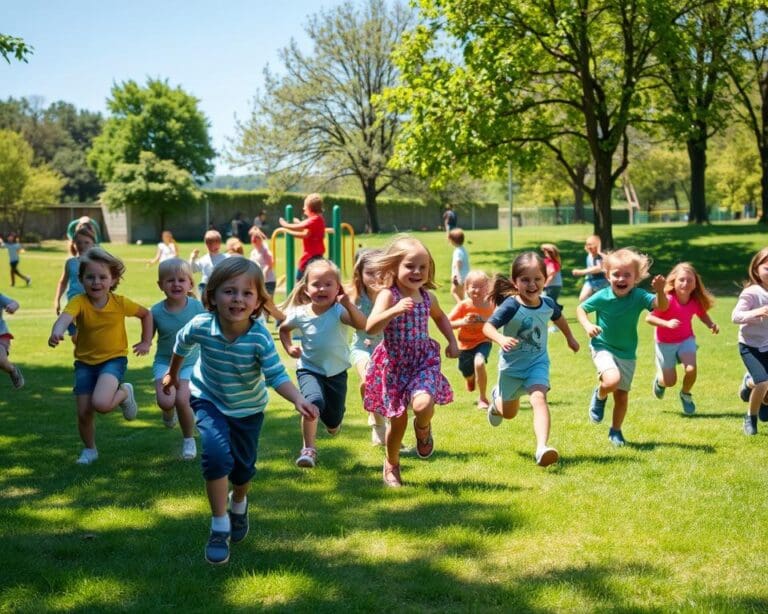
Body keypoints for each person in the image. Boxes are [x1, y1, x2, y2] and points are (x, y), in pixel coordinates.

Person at [161, 257, 317, 565]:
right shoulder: (202, 325)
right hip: (208, 399)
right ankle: (219, 525)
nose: (238, 299)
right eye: (229, 291)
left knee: (243, 471)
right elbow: (181, 343)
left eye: (247, 293)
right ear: (212, 295)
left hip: (248, 410)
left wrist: (297, 398)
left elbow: (275, 375)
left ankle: (240, 501)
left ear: (259, 300)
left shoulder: (259, 337)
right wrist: (172, 373)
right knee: (217, 457)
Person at [364, 235, 459, 487]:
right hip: (395, 365)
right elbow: (371, 326)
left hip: (423, 361)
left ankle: (423, 428)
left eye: (422, 267)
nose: (417, 272)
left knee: (422, 405)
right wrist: (394, 309)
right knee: (397, 421)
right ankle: (392, 464)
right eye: (409, 266)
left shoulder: (428, 297)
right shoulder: (388, 294)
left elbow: (440, 318)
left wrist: (452, 341)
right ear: (394, 267)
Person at [48, 247, 153, 465]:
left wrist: (146, 341)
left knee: (102, 404)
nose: (96, 282)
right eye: (90, 277)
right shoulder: (79, 301)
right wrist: (57, 331)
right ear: (81, 279)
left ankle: (124, 392)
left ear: (113, 279)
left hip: (113, 360)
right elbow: (65, 318)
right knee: (84, 412)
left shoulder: (120, 302)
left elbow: (146, 314)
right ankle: (90, 450)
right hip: (85, 363)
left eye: (102, 277)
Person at [482, 253, 580, 466]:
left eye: (537, 279)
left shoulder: (548, 304)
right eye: (525, 279)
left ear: (545, 280)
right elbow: (487, 327)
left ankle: (542, 448)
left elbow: (559, 318)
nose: (532, 284)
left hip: (537, 363)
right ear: (515, 282)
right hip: (511, 368)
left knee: (539, 398)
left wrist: (570, 338)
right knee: (509, 413)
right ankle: (496, 402)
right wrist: (500, 338)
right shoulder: (511, 305)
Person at [279, 259, 367, 468]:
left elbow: (361, 324)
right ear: (306, 289)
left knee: (334, 419)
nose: (322, 288)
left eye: (328, 284)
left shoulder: (339, 311)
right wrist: (289, 347)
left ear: (338, 288)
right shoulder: (300, 314)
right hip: (309, 370)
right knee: (312, 403)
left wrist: (348, 304)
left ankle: (334, 423)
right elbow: (284, 329)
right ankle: (308, 449)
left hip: (336, 373)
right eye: (316, 284)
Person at [576, 248, 668, 446]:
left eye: (627, 275)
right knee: (612, 380)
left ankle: (616, 431)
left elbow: (661, 307)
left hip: (627, 352)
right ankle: (599, 396)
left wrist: (660, 290)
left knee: (622, 396)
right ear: (608, 275)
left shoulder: (639, 296)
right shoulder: (603, 296)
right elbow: (581, 308)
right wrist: (588, 325)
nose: (621, 278)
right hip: (602, 346)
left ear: (636, 278)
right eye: (616, 274)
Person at [646, 262, 719, 415]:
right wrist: (666, 323)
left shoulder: (694, 301)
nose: (685, 283)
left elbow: (702, 313)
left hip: (686, 340)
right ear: (674, 281)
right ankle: (660, 382)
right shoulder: (668, 299)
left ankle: (686, 394)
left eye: (689, 280)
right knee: (670, 381)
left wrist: (711, 324)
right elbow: (649, 318)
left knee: (691, 369)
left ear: (695, 284)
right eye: (681, 280)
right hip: (665, 343)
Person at [150, 258, 205, 460]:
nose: (176, 284)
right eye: (170, 280)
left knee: (183, 400)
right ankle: (167, 411)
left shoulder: (198, 308)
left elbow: (208, 330)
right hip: (165, 363)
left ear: (190, 284)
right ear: (160, 285)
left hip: (190, 363)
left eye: (182, 280)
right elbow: (148, 337)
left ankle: (188, 440)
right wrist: (144, 343)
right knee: (166, 401)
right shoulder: (155, 311)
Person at [347, 249, 386, 445]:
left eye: (380, 272)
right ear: (360, 274)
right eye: (370, 273)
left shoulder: (388, 295)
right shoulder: (354, 295)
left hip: (386, 349)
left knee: (382, 387)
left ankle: (376, 414)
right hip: (362, 347)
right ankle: (378, 425)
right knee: (369, 380)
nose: (375, 278)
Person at [732, 247, 768, 435]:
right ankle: (750, 418)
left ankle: (749, 384)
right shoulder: (753, 292)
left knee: (764, 387)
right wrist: (758, 312)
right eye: (767, 268)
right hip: (750, 346)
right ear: (756, 270)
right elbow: (735, 316)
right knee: (763, 382)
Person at [448, 270, 494, 410]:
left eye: (482, 286)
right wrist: (463, 322)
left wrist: (483, 320)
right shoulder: (464, 305)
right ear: (466, 288)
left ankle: (483, 398)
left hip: (483, 340)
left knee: (479, 363)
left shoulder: (491, 304)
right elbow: (447, 323)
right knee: (466, 370)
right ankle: (470, 378)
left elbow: (498, 321)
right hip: (465, 344)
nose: (477, 290)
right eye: (474, 286)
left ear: (488, 288)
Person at [54, 226, 97, 337]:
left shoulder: (98, 263)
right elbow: (63, 282)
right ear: (74, 244)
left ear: (93, 244)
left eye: (86, 242)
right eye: (79, 242)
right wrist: (57, 300)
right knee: (77, 337)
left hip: (91, 304)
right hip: (73, 304)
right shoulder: (70, 263)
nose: (82, 246)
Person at [279, 193, 326, 280]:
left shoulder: (315, 219)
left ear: (310, 208)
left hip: (311, 256)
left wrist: (285, 225)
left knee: (300, 279)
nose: (303, 208)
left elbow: (300, 227)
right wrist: (291, 230)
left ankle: (299, 291)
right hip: (316, 255)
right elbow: (305, 234)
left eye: (305, 206)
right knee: (305, 279)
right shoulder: (317, 219)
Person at [190, 230, 226, 296]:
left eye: (216, 243)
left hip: (220, 286)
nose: (213, 246)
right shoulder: (204, 259)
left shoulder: (226, 258)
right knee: (204, 305)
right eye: (210, 243)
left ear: (220, 244)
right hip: (205, 286)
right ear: (206, 244)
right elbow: (193, 269)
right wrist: (192, 259)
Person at [572, 235, 608, 302]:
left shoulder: (600, 256)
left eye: (590, 244)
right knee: (582, 299)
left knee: (602, 302)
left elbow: (598, 268)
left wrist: (581, 272)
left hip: (602, 281)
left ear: (597, 245)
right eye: (587, 244)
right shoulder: (590, 255)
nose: (588, 247)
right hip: (590, 280)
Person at [0, 292, 24, 389]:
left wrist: (12, 306)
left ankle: (12, 369)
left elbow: (15, 303)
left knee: (1, 360)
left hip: (1, 334)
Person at [248, 228, 276, 296]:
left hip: (267, 281)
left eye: (256, 238)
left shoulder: (264, 250)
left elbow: (271, 262)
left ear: (260, 239)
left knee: (267, 302)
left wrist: (265, 271)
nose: (254, 240)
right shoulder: (254, 252)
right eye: (253, 238)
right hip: (257, 281)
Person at [448, 228, 470, 303]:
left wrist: (456, 276)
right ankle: (464, 309)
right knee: (461, 295)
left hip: (459, 277)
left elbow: (458, 264)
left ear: (453, 240)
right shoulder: (463, 249)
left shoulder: (457, 251)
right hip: (465, 276)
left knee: (453, 292)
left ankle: (461, 306)